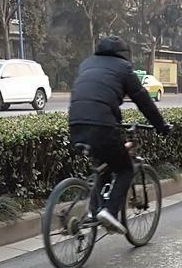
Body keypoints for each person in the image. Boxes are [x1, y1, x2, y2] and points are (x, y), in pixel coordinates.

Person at [69, 36, 171, 235]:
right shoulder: (124, 68)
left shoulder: (87, 63)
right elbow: (143, 100)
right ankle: (110, 212)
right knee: (125, 169)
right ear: (125, 55)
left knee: (104, 166)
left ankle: (93, 212)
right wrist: (161, 126)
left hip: (75, 123)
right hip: (103, 125)